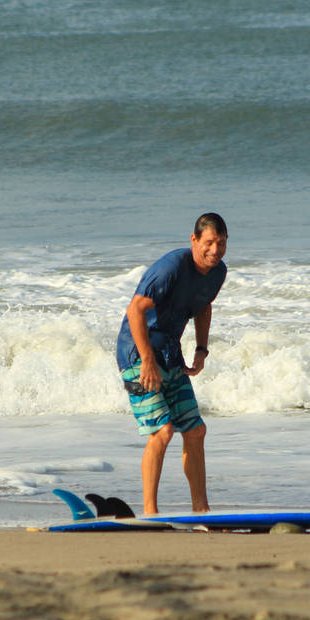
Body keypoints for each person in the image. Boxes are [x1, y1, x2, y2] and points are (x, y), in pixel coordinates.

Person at [116, 213, 228, 515]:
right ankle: (150, 513)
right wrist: (147, 362)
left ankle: (201, 510)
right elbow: (135, 310)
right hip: (137, 354)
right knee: (162, 431)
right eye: (208, 243)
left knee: (195, 430)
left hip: (169, 353)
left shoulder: (217, 272)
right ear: (194, 241)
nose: (214, 251)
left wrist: (202, 349)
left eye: (220, 243)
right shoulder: (172, 268)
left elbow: (204, 306)